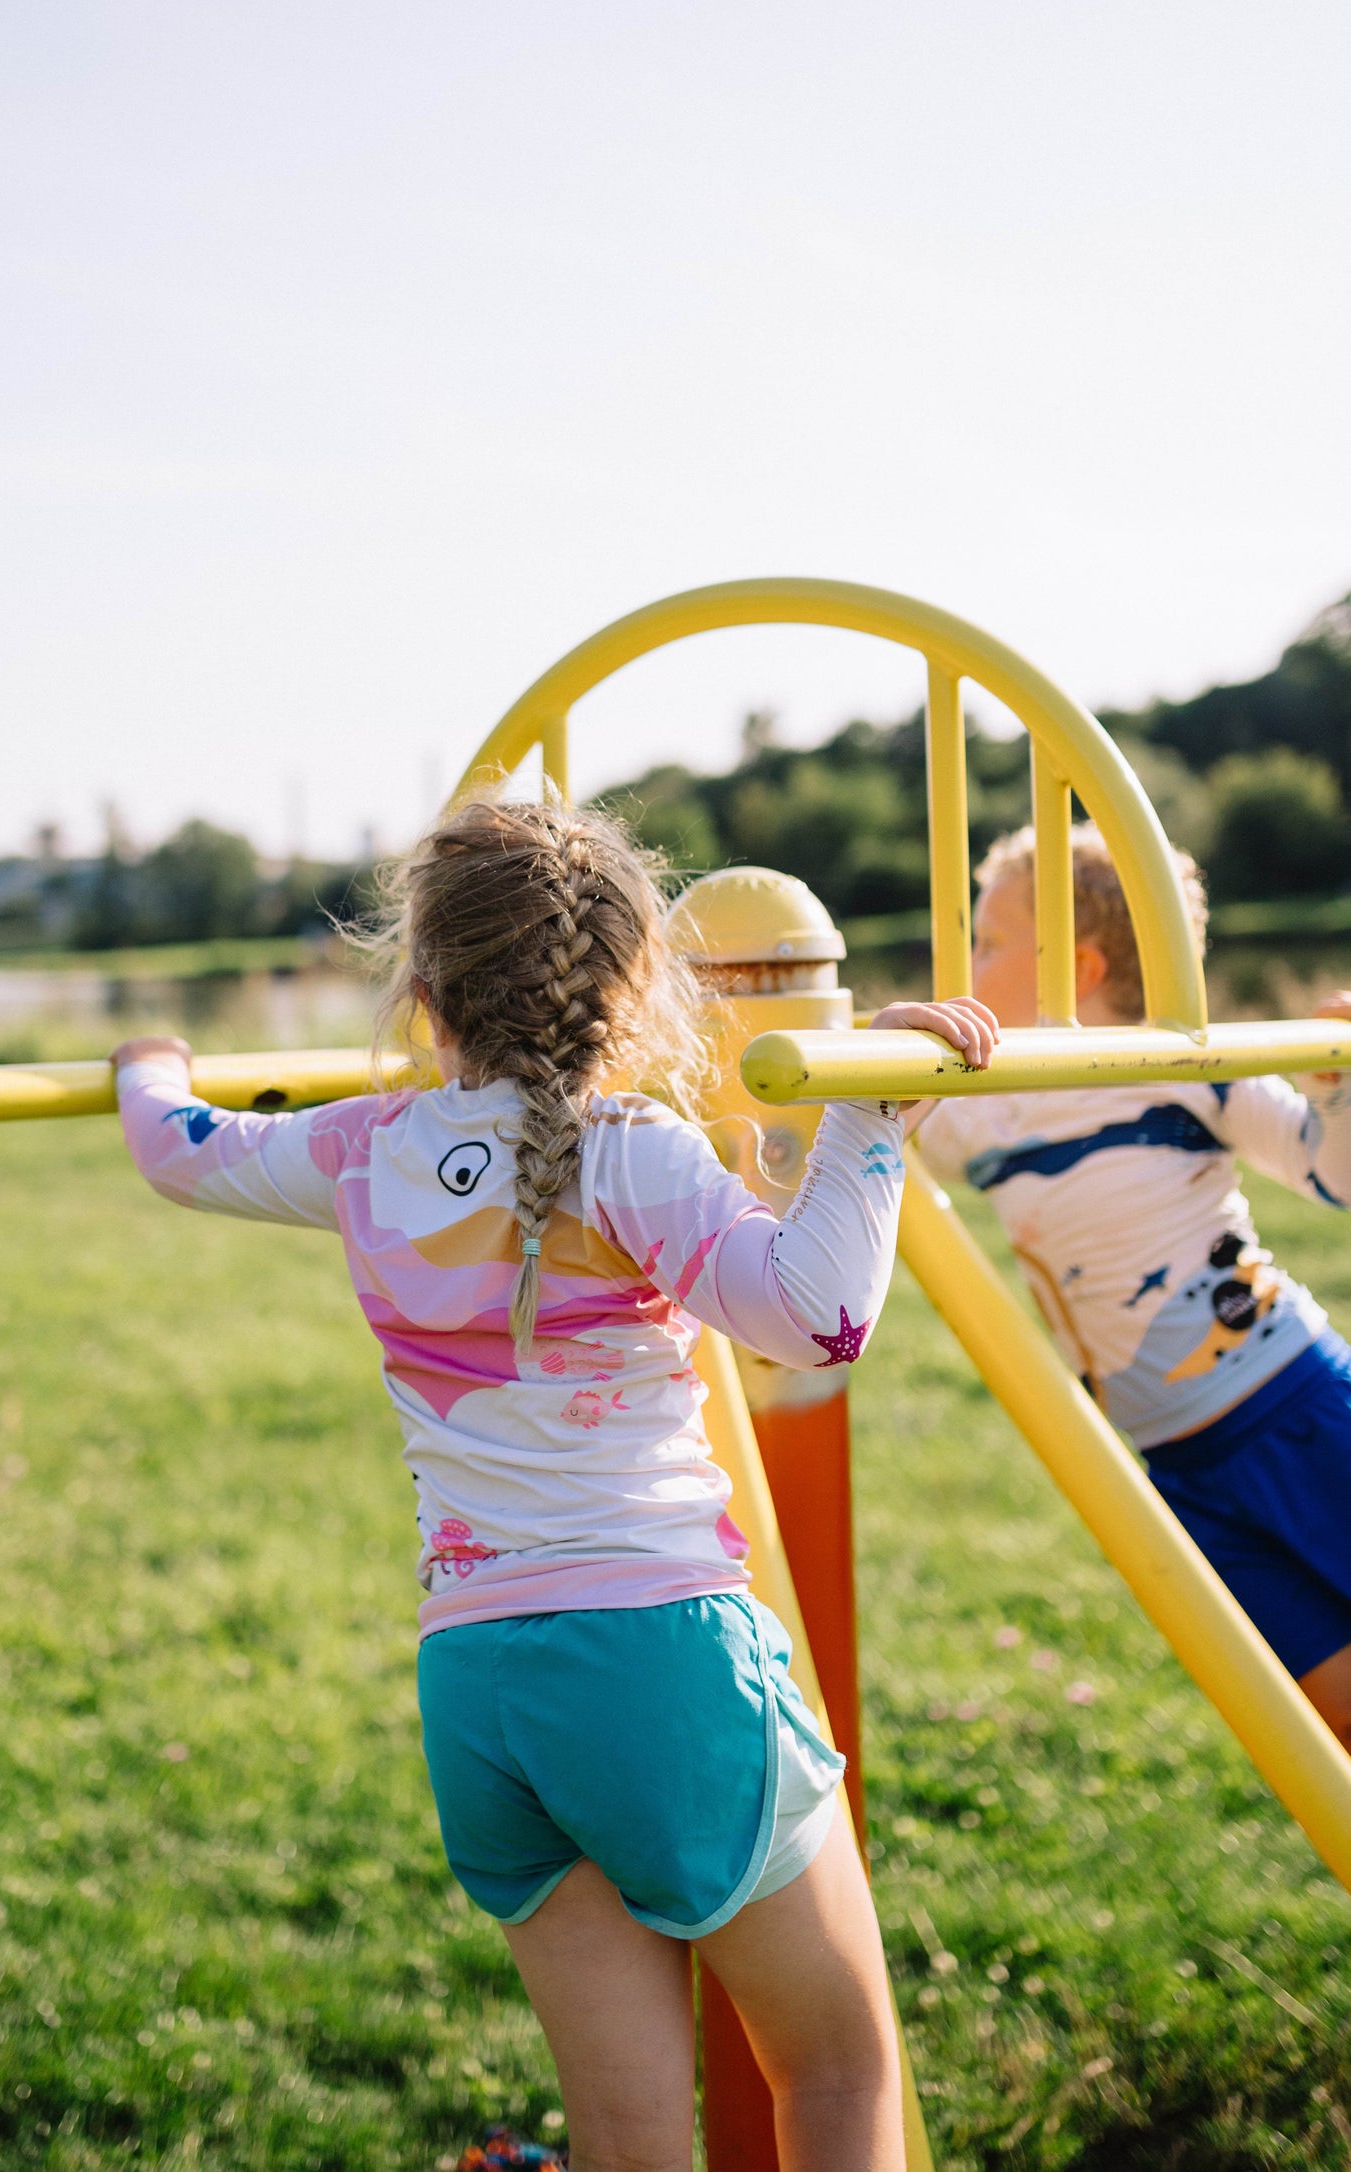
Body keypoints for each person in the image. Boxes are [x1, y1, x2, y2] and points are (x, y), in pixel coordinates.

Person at [110, 796, 998, 2172]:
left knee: (627, 2133)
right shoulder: (631, 1147)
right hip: (658, 1658)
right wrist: (871, 1105)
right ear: (635, 986)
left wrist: (151, 1063)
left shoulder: (363, 1151)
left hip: (480, 1687)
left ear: (422, 991)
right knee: (836, 2068)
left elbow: (179, 1149)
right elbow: (815, 1315)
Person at [914, 822, 1351, 1750]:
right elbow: (888, 1137)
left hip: (1291, 1407)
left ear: (1072, 971)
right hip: (1173, 1468)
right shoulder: (987, 1107)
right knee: (1329, 1713)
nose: (964, 961)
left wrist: (1335, 1090)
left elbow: (1332, 1175)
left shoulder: (1181, 1065)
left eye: (986, 943)